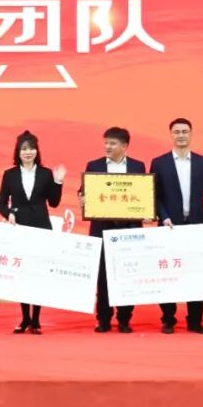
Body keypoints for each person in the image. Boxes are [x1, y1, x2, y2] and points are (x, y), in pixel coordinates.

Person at [151, 117, 203, 334]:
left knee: (196, 273)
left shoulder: (202, 162)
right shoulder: (159, 163)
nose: (181, 135)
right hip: (169, 225)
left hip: (196, 225)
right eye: (177, 132)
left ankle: (195, 321)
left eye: (185, 132)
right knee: (167, 273)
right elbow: (154, 195)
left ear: (191, 134)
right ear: (171, 135)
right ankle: (168, 319)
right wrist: (163, 217)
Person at [0, 130, 66, 334]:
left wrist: (58, 182)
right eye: (24, 149)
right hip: (19, 228)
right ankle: (25, 317)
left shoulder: (45, 174)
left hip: (41, 227)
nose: (28, 152)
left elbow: (54, 203)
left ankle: (36, 319)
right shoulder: (10, 174)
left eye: (32, 148)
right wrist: (9, 213)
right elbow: (1, 202)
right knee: (22, 274)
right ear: (18, 152)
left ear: (37, 151)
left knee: (39, 274)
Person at [80, 127, 147, 333]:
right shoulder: (94, 165)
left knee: (127, 274)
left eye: (112, 143)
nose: (107, 147)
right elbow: (84, 190)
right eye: (106, 143)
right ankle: (103, 319)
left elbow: (143, 193)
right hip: (102, 227)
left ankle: (124, 319)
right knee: (103, 277)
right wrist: (83, 198)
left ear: (124, 146)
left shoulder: (137, 166)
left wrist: (145, 209)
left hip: (129, 228)